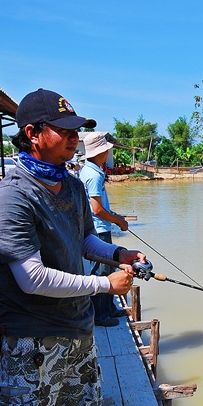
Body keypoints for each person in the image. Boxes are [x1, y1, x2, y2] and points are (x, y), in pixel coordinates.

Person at [0, 88, 145, 406]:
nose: (75, 138)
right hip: (31, 337)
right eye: (66, 130)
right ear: (33, 134)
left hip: (77, 330)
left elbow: (84, 244)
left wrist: (117, 253)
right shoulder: (11, 197)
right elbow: (31, 277)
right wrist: (103, 284)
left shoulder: (71, 185)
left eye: (78, 131)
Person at [79, 131, 130, 326]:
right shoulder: (94, 175)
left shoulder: (92, 171)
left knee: (108, 268)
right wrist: (118, 221)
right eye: (107, 151)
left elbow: (99, 206)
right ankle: (100, 315)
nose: (108, 154)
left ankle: (109, 308)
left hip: (100, 227)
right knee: (101, 272)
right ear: (100, 153)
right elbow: (97, 210)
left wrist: (114, 215)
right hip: (98, 230)